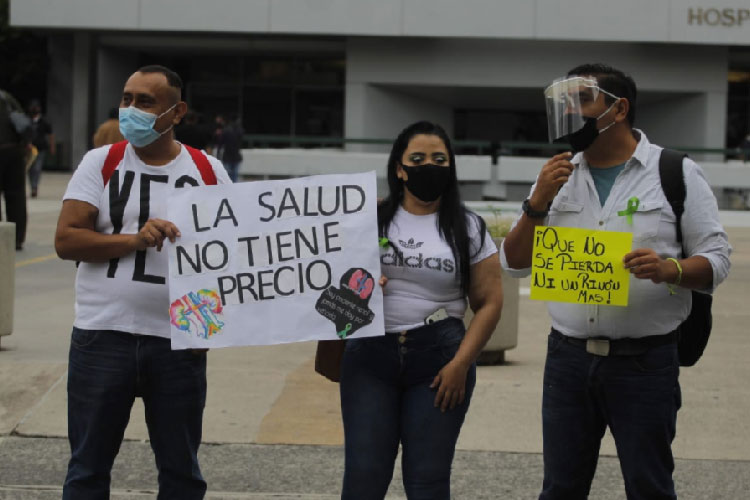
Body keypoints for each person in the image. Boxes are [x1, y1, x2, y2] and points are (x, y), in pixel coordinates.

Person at [501, 63, 732, 500]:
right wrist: (537, 204)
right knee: (560, 489)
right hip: (567, 362)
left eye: (582, 102)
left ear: (619, 108)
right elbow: (514, 264)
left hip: (645, 364)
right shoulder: (555, 176)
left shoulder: (675, 172)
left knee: (649, 487)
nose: (572, 114)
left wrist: (671, 270)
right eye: (565, 105)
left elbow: (718, 261)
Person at [55, 65, 231, 499]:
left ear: (177, 112)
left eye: (145, 102)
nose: (131, 109)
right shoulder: (103, 162)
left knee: (181, 473)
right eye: (127, 99)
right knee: (87, 469)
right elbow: (66, 238)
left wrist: (205, 331)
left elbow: (236, 261)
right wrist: (133, 240)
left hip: (178, 344)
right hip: (103, 336)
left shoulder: (209, 172)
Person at [339, 121, 504, 499]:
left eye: (438, 159)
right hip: (370, 355)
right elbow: (333, 290)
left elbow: (490, 302)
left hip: (440, 359)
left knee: (427, 480)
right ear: (400, 168)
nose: (428, 165)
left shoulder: (468, 227)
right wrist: (356, 290)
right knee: (364, 475)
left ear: (450, 167)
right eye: (417, 159)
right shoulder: (368, 218)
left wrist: (461, 364)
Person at [0, 88, 29, 250]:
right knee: (16, 196)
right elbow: (21, 120)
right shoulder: (6, 97)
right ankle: (17, 238)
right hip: (14, 151)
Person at [27, 99, 55, 198]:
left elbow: (51, 135)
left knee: (37, 168)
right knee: (30, 169)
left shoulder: (44, 121)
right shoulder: (28, 121)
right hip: (30, 149)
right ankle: (32, 186)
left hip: (41, 148)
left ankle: (34, 187)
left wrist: (52, 147)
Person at [212, 113, 243, 182]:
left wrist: (218, 155)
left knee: (227, 177)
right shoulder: (240, 130)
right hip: (236, 156)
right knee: (235, 176)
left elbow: (220, 144)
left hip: (227, 156)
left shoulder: (225, 130)